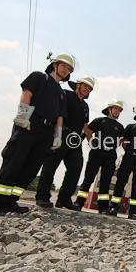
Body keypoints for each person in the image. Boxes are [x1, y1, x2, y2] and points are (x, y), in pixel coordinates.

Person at [0, 53, 77, 215]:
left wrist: (57, 134)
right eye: (64, 66)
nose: (66, 70)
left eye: (69, 69)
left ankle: (11, 201)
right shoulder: (39, 77)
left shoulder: (62, 93)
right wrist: (23, 115)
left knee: (31, 167)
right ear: (55, 65)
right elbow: (27, 93)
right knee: (15, 160)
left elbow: (60, 115)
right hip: (30, 124)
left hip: (47, 130)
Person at [35, 76, 97, 210]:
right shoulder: (65, 95)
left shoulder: (85, 106)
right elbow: (57, 112)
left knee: (76, 168)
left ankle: (64, 199)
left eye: (89, 88)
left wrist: (88, 140)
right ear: (77, 85)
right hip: (62, 133)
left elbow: (85, 125)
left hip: (75, 139)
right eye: (84, 86)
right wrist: (55, 132)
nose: (87, 89)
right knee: (50, 165)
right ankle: (42, 196)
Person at [75, 98, 125, 214]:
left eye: (119, 110)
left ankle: (103, 208)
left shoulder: (120, 127)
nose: (117, 111)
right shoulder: (99, 121)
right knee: (89, 178)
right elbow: (88, 131)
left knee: (105, 181)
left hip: (111, 154)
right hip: (97, 152)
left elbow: (122, 140)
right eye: (116, 109)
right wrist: (91, 143)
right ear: (109, 109)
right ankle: (79, 203)